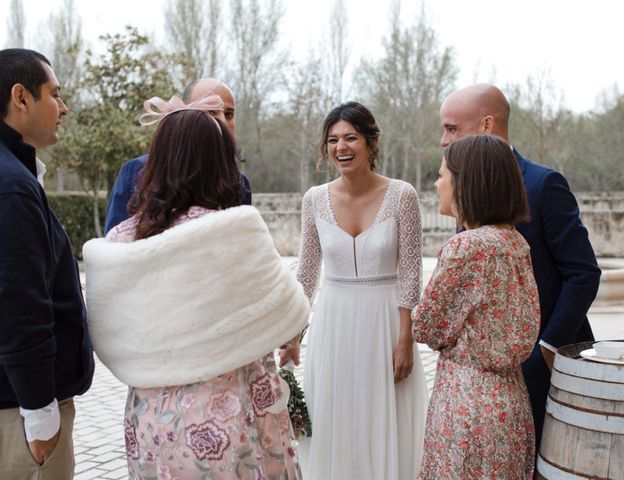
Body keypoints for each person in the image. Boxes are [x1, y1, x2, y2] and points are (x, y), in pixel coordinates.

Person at [83, 96, 309, 479]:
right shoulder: (233, 230)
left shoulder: (121, 240)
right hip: (227, 414)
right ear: (219, 161)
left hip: (152, 417)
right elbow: (290, 315)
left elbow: (107, 328)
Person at [439, 84, 601, 462]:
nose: (443, 139)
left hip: (543, 364)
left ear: (486, 125)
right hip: (486, 377)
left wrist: (547, 347)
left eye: (451, 128)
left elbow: (583, 273)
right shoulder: (464, 183)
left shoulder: (544, 184)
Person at [284, 101, 428, 479]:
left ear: (370, 142)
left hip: (386, 323)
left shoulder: (403, 195)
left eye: (350, 138)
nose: (341, 148)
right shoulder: (314, 199)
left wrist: (404, 338)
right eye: (332, 140)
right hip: (334, 324)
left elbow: (411, 271)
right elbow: (307, 272)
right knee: (336, 415)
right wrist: (293, 335)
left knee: (384, 416)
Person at [0, 49, 95, 479]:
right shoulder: (4, 183)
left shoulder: (5, 170)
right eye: (55, 94)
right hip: (13, 416)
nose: (63, 108)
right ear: (21, 97)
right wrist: (40, 413)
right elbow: (15, 305)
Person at [412, 134, 540, 479]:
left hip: (467, 404)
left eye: (443, 175)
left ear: (466, 183)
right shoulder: (516, 243)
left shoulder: (466, 247)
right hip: (511, 401)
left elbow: (425, 327)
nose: (437, 184)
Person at [103, 77, 251, 234]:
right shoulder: (136, 171)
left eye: (229, 114)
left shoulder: (238, 183)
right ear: (184, 115)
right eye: (211, 112)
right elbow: (113, 244)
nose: (222, 121)